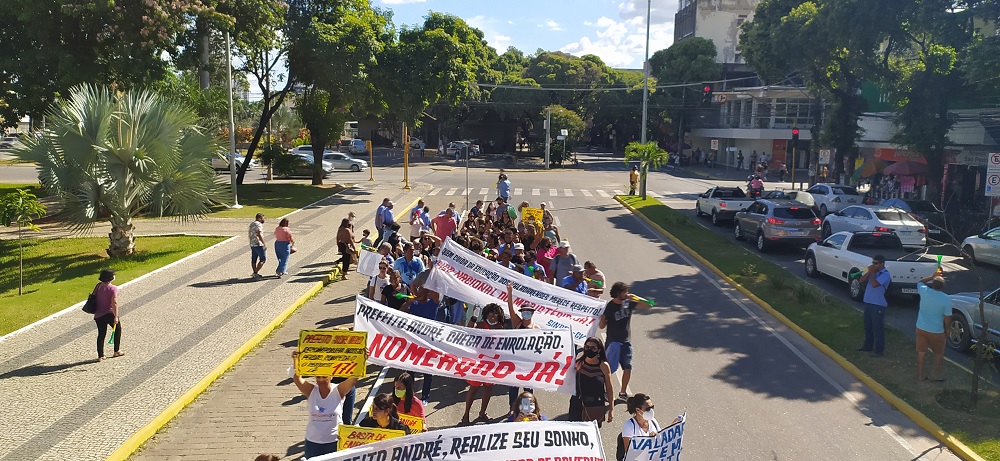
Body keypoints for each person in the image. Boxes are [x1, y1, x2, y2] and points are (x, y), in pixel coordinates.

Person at [291, 351, 359, 458]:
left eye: (324, 377)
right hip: (312, 444)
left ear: (331, 377)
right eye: (318, 377)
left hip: (333, 442)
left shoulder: (338, 390)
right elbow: (297, 378)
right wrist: (296, 360)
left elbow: (354, 379)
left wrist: (362, 358)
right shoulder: (311, 390)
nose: (321, 380)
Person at [600, 282, 653, 400]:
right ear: (618, 293)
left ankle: (623, 393)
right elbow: (602, 326)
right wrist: (603, 319)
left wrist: (635, 297)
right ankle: (606, 391)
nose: (626, 293)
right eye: (624, 292)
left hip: (626, 341)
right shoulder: (610, 306)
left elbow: (649, 305)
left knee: (628, 367)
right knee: (608, 369)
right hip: (612, 342)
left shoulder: (628, 303)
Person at [461, 303, 506, 425]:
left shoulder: (500, 328)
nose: (493, 315)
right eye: (491, 312)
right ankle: (466, 415)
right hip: (478, 363)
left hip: (492, 364)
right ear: (486, 314)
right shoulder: (480, 325)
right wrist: (474, 317)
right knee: (473, 388)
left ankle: (482, 413)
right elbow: (470, 329)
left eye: (495, 313)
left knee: (488, 388)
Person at [620, 394, 681, 458]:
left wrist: (672, 427)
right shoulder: (629, 426)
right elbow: (630, 454)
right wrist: (650, 441)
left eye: (652, 407)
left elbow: (662, 439)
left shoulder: (653, 421)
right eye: (648, 408)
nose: (651, 410)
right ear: (638, 410)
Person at [915, 274, 950, 381]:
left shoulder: (924, 291)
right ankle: (935, 375)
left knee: (921, 352)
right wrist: (947, 329)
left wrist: (932, 276)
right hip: (937, 331)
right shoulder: (946, 299)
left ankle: (921, 375)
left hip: (921, 327)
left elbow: (920, 282)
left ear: (933, 284)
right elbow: (947, 317)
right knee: (939, 353)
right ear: (943, 286)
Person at [575, 337, 614, 427]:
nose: (589, 350)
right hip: (577, 405)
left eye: (593, 348)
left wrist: (611, 409)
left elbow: (609, 388)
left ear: (599, 350)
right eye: (587, 347)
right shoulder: (578, 364)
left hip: (595, 406)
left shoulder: (604, 366)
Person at [857, 255, 891, 357]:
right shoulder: (873, 273)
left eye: (876, 263)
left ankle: (879, 350)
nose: (873, 265)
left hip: (878, 304)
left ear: (882, 264)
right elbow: (861, 280)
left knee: (877, 328)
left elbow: (875, 284)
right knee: (868, 326)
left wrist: (872, 273)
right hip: (868, 302)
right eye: (873, 263)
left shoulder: (885, 274)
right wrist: (869, 272)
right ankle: (868, 345)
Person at [92, 269, 123, 362]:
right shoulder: (113, 288)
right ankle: (116, 351)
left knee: (101, 334)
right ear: (110, 278)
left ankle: (100, 355)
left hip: (98, 314)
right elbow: (114, 303)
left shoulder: (98, 286)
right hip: (109, 313)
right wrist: (116, 316)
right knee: (117, 330)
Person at [248, 213, 267, 278]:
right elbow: (259, 234)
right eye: (263, 218)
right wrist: (264, 243)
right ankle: (255, 272)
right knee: (263, 259)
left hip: (252, 244)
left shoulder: (252, 224)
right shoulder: (259, 224)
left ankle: (255, 273)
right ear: (260, 218)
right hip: (258, 244)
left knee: (254, 259)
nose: (263, 219)